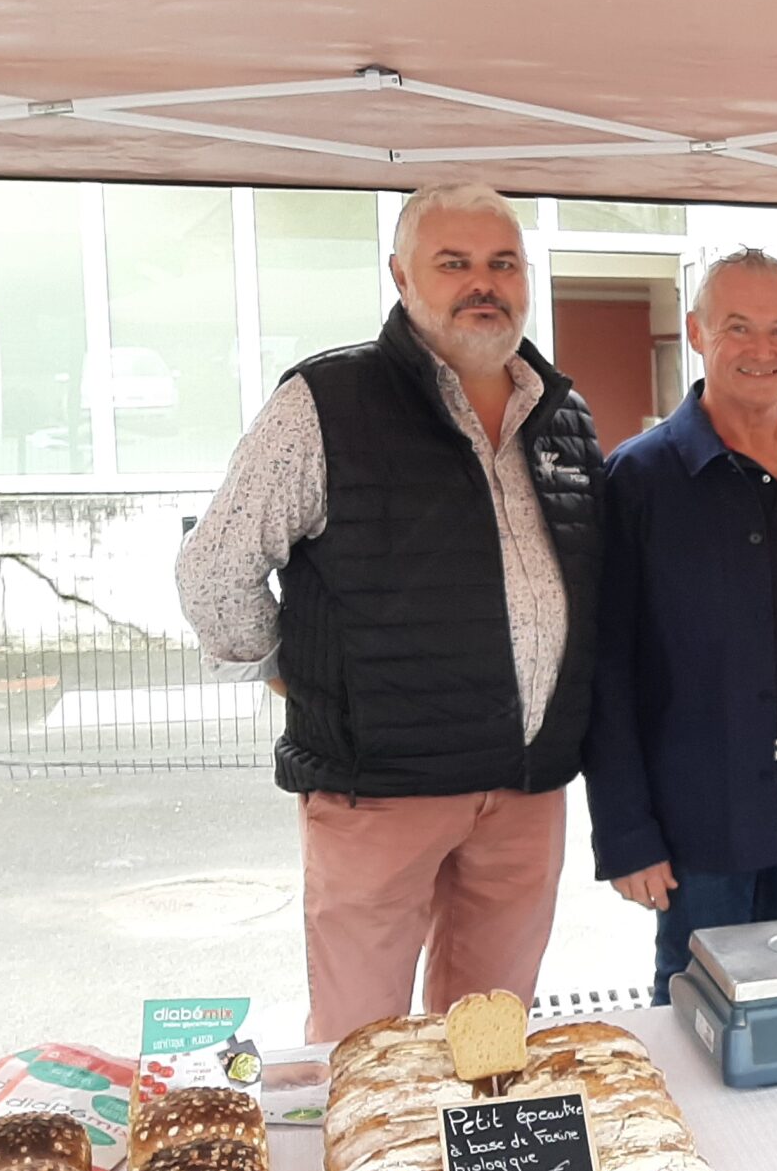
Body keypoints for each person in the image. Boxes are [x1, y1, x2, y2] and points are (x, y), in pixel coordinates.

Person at [176, 182, 602, 1042]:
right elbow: (215, 570)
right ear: (402, 276)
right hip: (380, 792)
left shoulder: (563, 416)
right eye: (454, 264)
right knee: (360, 1045)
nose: (483, 283)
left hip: (525, 792)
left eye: (502, 263)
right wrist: (290, 667)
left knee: (490, 1045)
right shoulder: (326, 404)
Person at [582, 250, 777, 1003]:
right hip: (696, 798)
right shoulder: (639, 479)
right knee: (697, 1004)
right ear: (696, 332)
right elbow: (605, 666)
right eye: (738, 328)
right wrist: (627, 834)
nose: (761, 350)